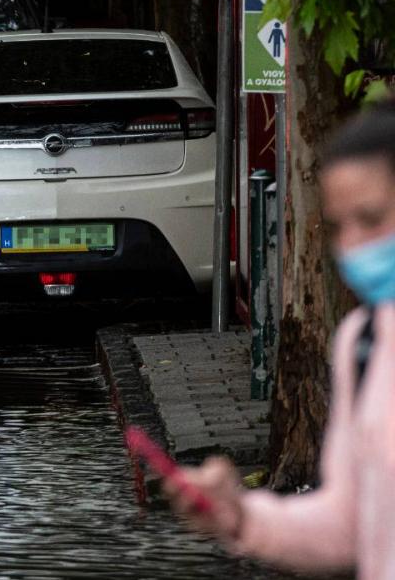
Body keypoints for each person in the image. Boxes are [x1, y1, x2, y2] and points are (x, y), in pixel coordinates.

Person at [166, 104, 395, 577]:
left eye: (371, 220)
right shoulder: (365, 341)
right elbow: (349, 525)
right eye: (338, 227)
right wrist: (240, 516)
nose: (353, 246)